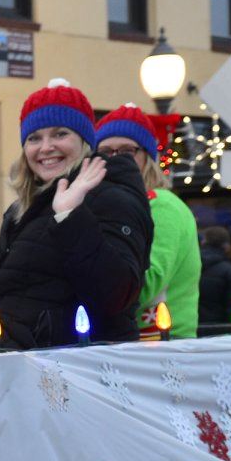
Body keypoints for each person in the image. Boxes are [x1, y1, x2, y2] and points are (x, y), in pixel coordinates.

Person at [0, 78, 152, 350]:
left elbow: (117, 296)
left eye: (60, 134)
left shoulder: (112, 196)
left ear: (85, 141)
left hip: (70, 370)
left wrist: (70, 216)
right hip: (10, 357)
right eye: (34, 138)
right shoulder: (22, 210)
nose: (45, 147)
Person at [94, 104, 201, 338]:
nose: (114, 160)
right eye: (105, 151)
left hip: (161, 344)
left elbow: (147, 284)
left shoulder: (161, 205)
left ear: (148, 157)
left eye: (126, 151)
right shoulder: (107, 205)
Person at [197, 226, 231, 325]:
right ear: (227, 247)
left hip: (190, 328)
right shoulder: (230, 272)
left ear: (203, 242)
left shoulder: (190, 266)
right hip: (220, 331)